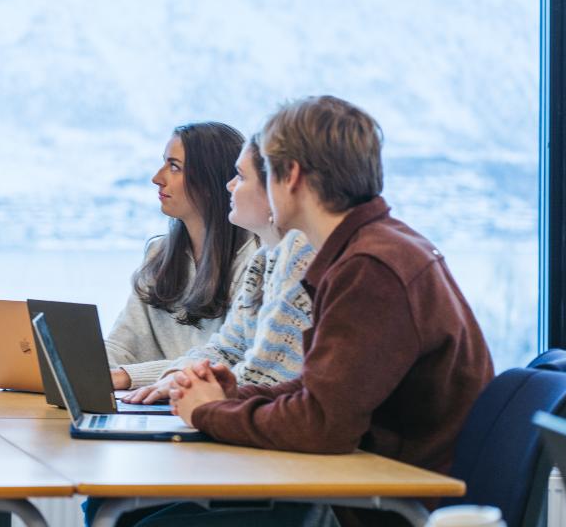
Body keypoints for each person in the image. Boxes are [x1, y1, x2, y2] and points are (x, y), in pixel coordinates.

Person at [159, 96, 494, 527]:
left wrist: (209, 413)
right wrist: (236, 397)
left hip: (387, 507)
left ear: (291, 175)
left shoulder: (370, 269)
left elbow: (320, 425)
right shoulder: (370, 248)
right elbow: (322, 393)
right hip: (365, 491)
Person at [122, 134, 316, 402]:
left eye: (241, 177)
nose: (229, 185)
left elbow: (270, 378)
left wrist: (199, 403)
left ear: (276, 191)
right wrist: (177, 377)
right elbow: (226, 349)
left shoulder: (299, 261)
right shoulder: (264, 262)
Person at [105, 122, 256, 391]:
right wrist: (69, 369)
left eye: (174, 167)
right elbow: (121, 347)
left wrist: (129, 376)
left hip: (202, 409)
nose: (157, 178)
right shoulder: (159, 255)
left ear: (211, 181)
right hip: (160, 403)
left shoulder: (254, 261)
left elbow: (233, 361)